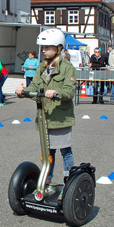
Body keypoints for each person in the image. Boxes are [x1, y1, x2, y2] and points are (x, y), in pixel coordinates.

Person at [15, 28, 77, 199]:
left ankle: (68, 181)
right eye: (43, 48)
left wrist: (55, 93)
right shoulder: (42, 67)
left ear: (58, 47)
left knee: (65, 150)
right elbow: (34, 86)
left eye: (47, 47)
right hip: (45, 118)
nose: (44, 51)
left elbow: (69, 91)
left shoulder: (67, 68)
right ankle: (47, 181)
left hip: (61, 117)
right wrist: (23, 91)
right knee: (47, 152)